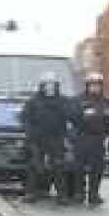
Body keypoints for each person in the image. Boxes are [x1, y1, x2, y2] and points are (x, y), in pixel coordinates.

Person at [69, 73, 109, 206]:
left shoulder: (106, 102)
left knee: (97, 168)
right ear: (87, 85)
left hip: (98, 139)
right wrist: (83, 117)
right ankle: (79, 193)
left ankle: (94, 194)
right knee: (79, 168)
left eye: (97, 85)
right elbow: (72, 116)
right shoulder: (78, 100)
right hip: (81, 137)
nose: (95, 88)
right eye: (92, 85)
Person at [20, 73, 70, 203]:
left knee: (58, 166)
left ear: (56, 86)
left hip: (57, 138)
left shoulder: (63, 101)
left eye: (52, 85)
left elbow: (71, 118)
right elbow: (25, 118)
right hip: (37, 138)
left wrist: (67, 135)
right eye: (47, 85)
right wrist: (30, 134)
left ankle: (62, 195)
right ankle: (31, 193)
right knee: (34, 166)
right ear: (42, 86)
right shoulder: (33, 101)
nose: (50, 88)